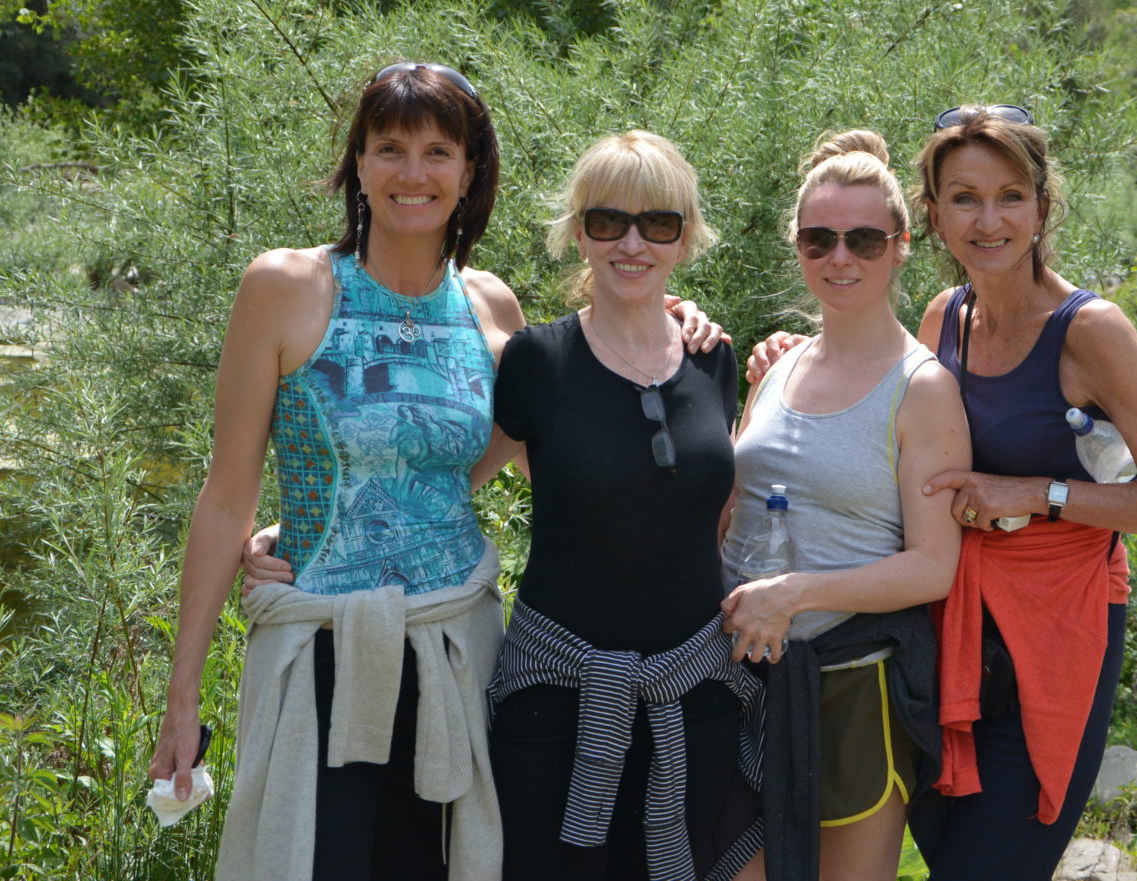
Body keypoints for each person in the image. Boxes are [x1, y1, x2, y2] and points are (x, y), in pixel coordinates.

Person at [155, 67, 721, 881]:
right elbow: (224, 497)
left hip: (456, 652)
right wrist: (182, 700)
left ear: (469, 172)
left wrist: (669, 327)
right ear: (358, 163)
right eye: (389, 148)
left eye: (437, 152)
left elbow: (564, 455)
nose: (412, 172)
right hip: (317, 650)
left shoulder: (493, 310)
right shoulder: (284, 286)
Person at [747, 106, 1137, 881]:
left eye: (1010, 196)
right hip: (948, 633)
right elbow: (888, 413)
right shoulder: (947, 317)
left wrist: (1033, 492)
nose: (988, 220)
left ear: (1043, 207)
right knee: (945, 847)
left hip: (1054, 628)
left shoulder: (1089, 330)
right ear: (932, 216)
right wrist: (796, 355)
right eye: (964, 198)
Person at [484, 130, 763, 881]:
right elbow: (448, 481)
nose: (632, 243)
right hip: (552, 701)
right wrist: (311, 527)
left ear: (685, 238)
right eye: (609, 221)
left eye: (657, 223)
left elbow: (720, 515)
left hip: (693, 695)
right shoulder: (537, 360)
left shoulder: (713, 358)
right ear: (579, 233)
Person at [718, 131, 970, 881]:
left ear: (900, 247)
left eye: (864, 239)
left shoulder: (922, 388)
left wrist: (796, 593)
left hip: (852, 687)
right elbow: (729, 506)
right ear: (797, 246)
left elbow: (933, 566)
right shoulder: (776, 366)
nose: (840, 258)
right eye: (819, 239)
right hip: (734, 679)